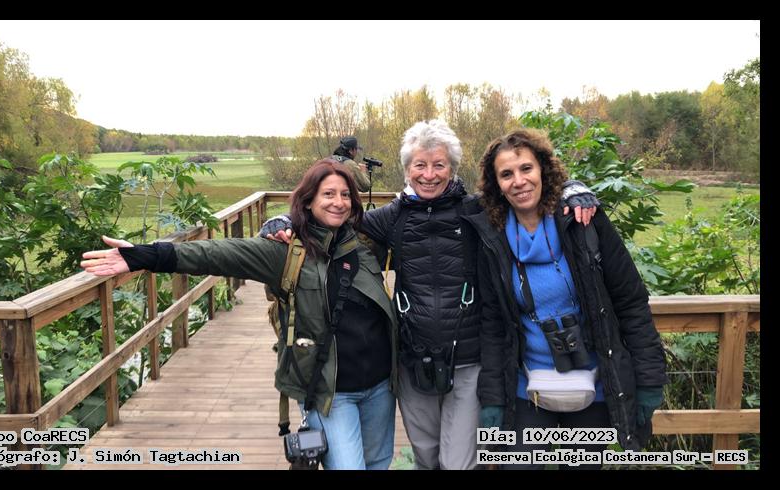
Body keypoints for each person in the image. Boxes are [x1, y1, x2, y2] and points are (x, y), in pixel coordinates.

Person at [260, 120, 600, 470]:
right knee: (426, 457)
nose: (429, 175)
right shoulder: (392, 218)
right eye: (420, 165)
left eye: (439, 165)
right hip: (413, 359)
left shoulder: (476, 211)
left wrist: (572, 189)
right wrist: (284, 221)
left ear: (452, 168)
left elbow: (524, 192)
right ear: (407, 169)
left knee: (459, 463)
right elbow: (332, 216)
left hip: (468, 358)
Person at [80, 159, 399, 470]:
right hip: (331, 392)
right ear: (308, 201)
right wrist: (144, 256)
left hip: (380, 386)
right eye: (328, 194)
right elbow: (219, 254)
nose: (339, 202)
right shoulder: (286, 252)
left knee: (377, 464)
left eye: (345, 195)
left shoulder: (364, 245)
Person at [465, 128, 668, 469]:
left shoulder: (583, 223)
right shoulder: (492, 238)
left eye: (526, 168)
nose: (519, 181)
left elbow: (631, 303)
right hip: (526, 389)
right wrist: (493, 398)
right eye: (506, 174)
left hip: (594, 387)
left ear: (543, 169)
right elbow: (493, 325)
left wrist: (649, 380)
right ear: (496, 184)